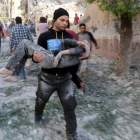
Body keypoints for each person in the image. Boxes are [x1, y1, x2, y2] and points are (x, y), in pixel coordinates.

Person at [4, 17, 33, 81]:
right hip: (25, 46)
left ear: (15, 22)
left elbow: (12, 39)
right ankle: (21, 75)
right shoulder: (26, 28)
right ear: (21, 21)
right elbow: (30, 38)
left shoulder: (14, 29)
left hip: (17, 46)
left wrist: (10, 47)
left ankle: (21, 75)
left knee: (19, 61)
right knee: (22, 60)